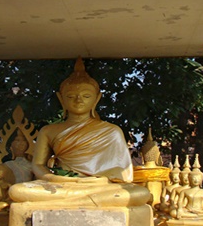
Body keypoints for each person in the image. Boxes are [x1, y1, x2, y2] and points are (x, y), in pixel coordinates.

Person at [8, 58, 150, 208]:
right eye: (70, 96)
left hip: (99, 187)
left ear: (97, 99)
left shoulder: (111, 131)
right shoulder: (48, 131)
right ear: (61, 99)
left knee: (140, 194)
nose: (78, 100)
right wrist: (55, 178)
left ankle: (72, 203)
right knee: (17, 191)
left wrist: (98, 180)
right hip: (61, 185)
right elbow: (37, 165)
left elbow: (123, 172)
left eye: (86, 96)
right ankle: (86, 203)